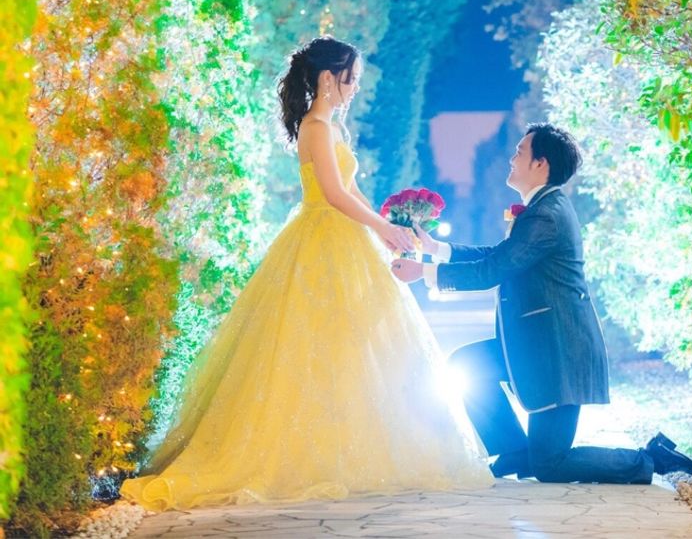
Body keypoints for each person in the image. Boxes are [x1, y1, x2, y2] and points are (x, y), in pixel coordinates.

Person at [121, 36, 491, 511]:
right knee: (309, 344)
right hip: (321, 239)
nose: (355, 87)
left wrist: (383, 228)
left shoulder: (331, 128)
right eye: (351, 78)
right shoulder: (315, 127)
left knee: (354, 346)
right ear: (328, 78)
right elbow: (332, 194)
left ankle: (351, 446)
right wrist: (380, 227)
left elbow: (351, 190)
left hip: (345, 239)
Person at [392, 123, 692, 483]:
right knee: (467, 364)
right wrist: (437, 249)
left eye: (519, 152)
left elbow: (494, 269)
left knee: (551, 465)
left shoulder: (547, 215)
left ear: (540, 164)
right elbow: (502, 254)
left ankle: (648, 459)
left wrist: (424, 272)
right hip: (534, 346)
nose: (512, 159)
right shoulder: (542, 207)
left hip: (559, 355)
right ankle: (514, 451)